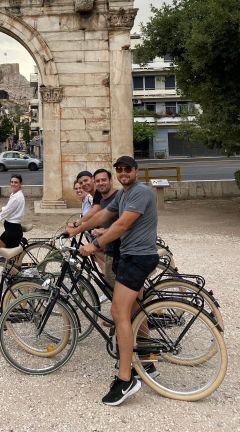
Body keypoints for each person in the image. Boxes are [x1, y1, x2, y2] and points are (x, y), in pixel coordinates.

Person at [79, 156, 159, 406]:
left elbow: (122, 224)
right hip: (130, 256)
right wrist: (77, 227)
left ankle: (126, 378)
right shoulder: (124, 194)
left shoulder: (140, 192)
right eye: (120, 170)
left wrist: (94, 244)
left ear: (135, 171)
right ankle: (146, 359)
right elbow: (103, 215)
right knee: (135, 310)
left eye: (127, 169)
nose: (123, 173)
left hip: (137, 257)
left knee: (118, 312)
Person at [66, 169, 119, 290]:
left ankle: (109, 277)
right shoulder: (97, 196)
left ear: (92, 180)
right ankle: (108, 276)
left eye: (86, 180)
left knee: (96, 250)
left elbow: (96, 213)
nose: (84, 184)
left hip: (118, 238)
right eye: (81, 182)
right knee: (96, 251)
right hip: (108, 233)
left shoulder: (102, 195)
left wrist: (77, 225)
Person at [0, 174, 25, 249]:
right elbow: (8, 208)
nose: (13, 184)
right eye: (12, 182)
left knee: (8, 258)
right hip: (9, 230)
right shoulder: (14, 194)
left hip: (13, 232)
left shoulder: (17, 198)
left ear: (20, 184)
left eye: (16, 182)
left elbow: (3, 214)